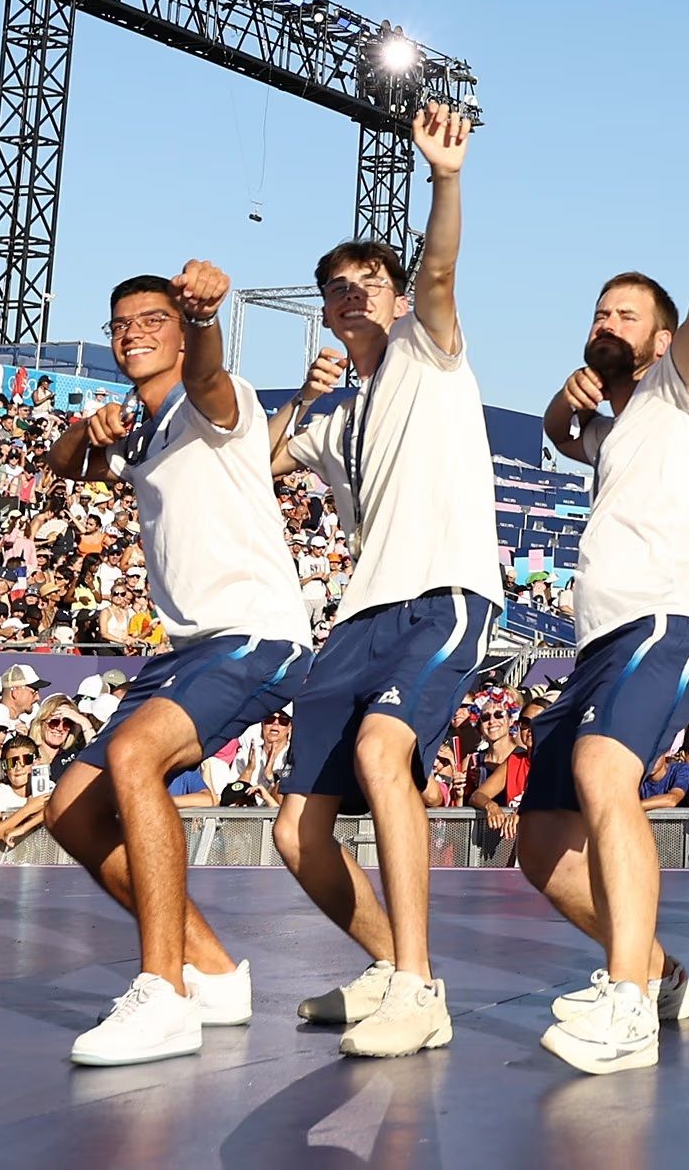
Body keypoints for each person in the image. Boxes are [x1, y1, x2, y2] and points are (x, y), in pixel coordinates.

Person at [266, 105, 501, 1061]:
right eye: (338, 288)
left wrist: (443, 178)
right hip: (360, 611)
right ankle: (388, 961)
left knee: (380, 749)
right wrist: (308, 398)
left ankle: (418, 985)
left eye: (371, 283)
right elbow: (263, 467)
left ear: (399, 301)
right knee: (293, 832)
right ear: (323, 310)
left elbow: (438, 267)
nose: (355, 295)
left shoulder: (428, 351)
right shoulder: (339, 415)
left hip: (442, 594)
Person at [42, 263, 315, 1069]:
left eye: (153, 319)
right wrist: (81, 433)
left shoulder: (215, 407)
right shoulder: (140, 435)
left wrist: (203, 318)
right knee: (72, 811)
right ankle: (218, 973)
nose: (134, 333)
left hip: (255, 634)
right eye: (121, 322)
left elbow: (209, 369)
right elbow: (63, 466)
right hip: (188, 648)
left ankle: (164, 992)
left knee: (134, 757)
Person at [522, 177, 689, 1076]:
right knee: (542, 848)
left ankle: (623, 1000)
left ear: (657, 341)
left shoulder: (684, 389)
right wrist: (564, 400)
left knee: (601, 771)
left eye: (625, 313)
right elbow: (557, 431)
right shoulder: (613, 426)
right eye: (598, 310)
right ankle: (657, 971)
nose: (606, 320)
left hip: (677, 616)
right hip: (600, 641)